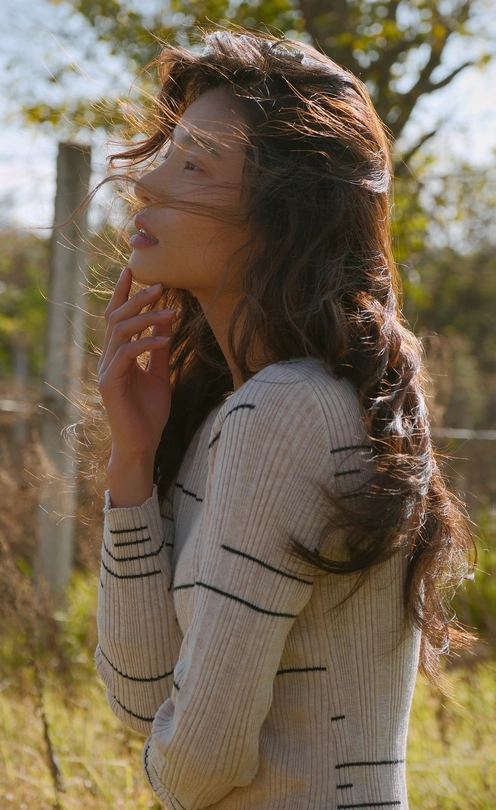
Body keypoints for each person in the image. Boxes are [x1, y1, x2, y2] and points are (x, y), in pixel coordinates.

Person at [93, 29, 474, 810]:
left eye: (194, 163)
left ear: (283, 213)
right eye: (168, 151)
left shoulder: (288, 411)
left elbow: (197, 766)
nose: (147, 182)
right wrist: (132, 460)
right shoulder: (229, 415)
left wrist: (166, 757)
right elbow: (140, 697)